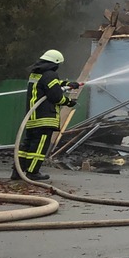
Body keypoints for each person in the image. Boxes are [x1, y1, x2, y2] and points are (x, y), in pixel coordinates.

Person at [13, 49, 77, 182]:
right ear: (55, 63)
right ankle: (32, 172)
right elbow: (55, 96)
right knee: (40, 146)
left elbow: (49, 86)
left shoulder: (36, 74)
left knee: (27, 145)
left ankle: (18, 172)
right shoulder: (50, 74)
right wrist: (69, 102)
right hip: (45, 118)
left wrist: (68, 84)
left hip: (33, 117)